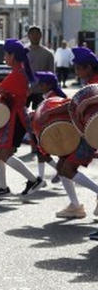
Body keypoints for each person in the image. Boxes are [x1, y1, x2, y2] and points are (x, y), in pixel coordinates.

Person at [0, 39, 44, 199]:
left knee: (5, 153)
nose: (4, 57)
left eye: (6, 54)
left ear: (13, 55)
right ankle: (3, 188)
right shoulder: (19, 72)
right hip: (12, 117)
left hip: (16, 119)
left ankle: (34, 180)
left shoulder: (17, 74)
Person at [55, 47, 98, 232]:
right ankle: (75, 206)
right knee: (61, 165)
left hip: (92, 135)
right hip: (84, 133)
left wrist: (89, 101)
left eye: (78, 68)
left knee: (67, 168)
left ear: (89, 67)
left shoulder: (95, 82)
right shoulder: (89, 82)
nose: (76, 72)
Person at [26, 26, 54, 110]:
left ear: (41, 36)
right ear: (28, 36)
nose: (35, 36)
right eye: (32, 34)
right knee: (21, 115)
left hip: (41, 91)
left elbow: (51, 74)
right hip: (25, 90)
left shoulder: (48, 54)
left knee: (39, 115)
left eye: (37, 34)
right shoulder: (23, 52)